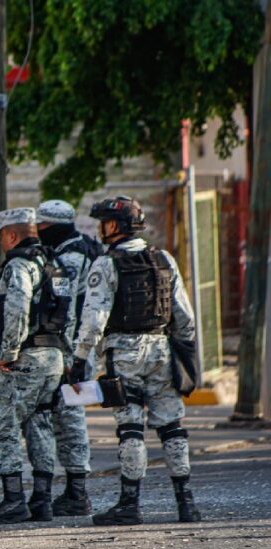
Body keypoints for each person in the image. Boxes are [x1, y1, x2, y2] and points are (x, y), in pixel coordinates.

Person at [70, 196, 201, 526]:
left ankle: (130, 504)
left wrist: (79, 359)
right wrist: (183, 354)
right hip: (162, 350)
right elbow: (185, 317)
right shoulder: (164, 260)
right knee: (172, 427)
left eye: (103, 222)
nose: (100, 228)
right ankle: (186, 503)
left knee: (130, 429)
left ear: (115, 226)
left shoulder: (106, 263)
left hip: (123, 354)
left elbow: (94, 320)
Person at [0, 208, 67, 525]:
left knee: (1, 424)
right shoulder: (54, 266)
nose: (2, 242)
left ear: (12, 235)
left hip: (26, 357)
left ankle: (13, 500)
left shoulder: (18, 265)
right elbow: (67, 311)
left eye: (2, 235)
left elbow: (16, 309)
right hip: (53, 356)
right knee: (40, 423)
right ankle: (41, 500)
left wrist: (9, 351)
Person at [22, 199, 98, 517]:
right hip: (84, 349)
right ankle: (75, 490)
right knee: (69, 417)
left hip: (69, 351)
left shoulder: (68, 258)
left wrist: (66, 352)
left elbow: (63, 308)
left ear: (50, 227)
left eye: (41, 227)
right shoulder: (91, 249)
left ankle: (75, 493)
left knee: (66, 418)